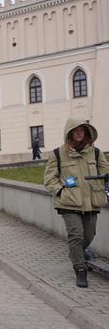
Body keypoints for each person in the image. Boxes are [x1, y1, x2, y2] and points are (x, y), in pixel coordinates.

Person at [44, 118, 109, 287]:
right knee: (76, 235)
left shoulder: (95, 152)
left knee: (88, 236)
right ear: (70, 132)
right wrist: (62, 191)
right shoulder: (58, 154)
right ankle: (80, 269)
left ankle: (76, 254)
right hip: (68, 204)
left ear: (87, 132)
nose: (79, 133)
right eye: (76, 130)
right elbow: (49, 179)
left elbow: (105, 171)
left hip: (91, 202)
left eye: (82, 130)